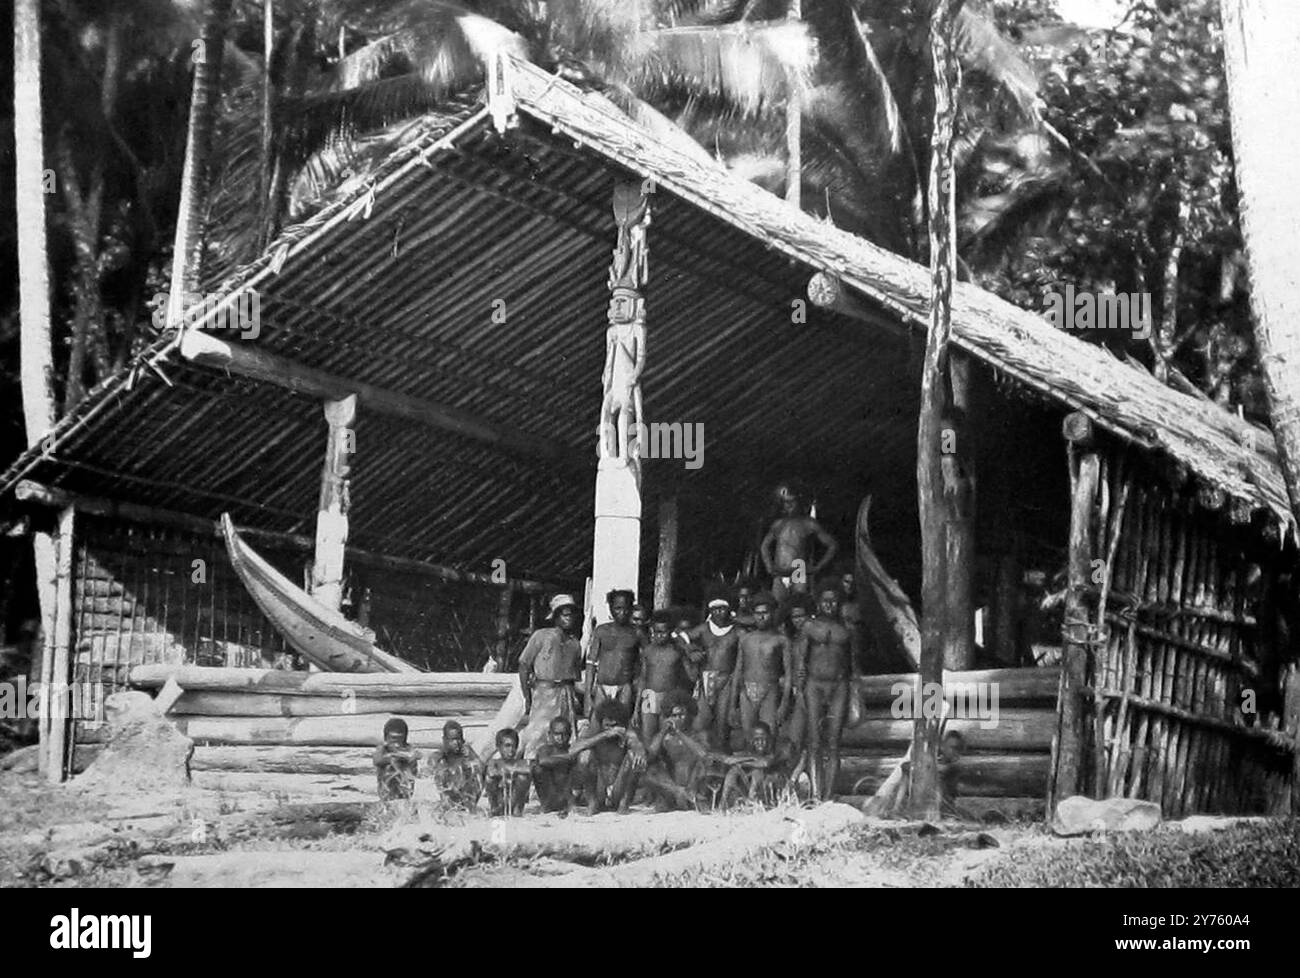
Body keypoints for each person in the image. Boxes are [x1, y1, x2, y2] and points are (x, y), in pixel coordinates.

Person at [797, 582, 863, 801]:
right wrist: (799, 690)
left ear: (839, 603)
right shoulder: (808, 627)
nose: (829, 605)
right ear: (818, 602)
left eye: (834, 601)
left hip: (839, 686)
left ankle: (828, 795)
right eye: (825, 600)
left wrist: (856, 689)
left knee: (834, 743)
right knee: (814, 741)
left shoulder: (847, 630)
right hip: (814, 685)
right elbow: (800, 662)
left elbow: (853, 664)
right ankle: (816, 794)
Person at [518, 593, 583, 757]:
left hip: (565, 694)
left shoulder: (574, 644)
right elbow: (524, 664)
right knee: (538, 734)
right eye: (564, 614)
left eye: (571, 614)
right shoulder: (541, 636)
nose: (569, 618)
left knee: (564, 735)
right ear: (555, 616)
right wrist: (527, 696)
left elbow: (575, 677)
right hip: (544, 693)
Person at [642, 692, 719, 811]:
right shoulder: (665, 738)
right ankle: (680, 793)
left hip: (693, 786)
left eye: (681, 715)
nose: (678, 718)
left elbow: (704, 755)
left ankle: (688, 795)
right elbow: (649, 756)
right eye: (674, 715)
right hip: (673, 789)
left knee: (704, 765)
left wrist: (679, 733)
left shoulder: (699, 735)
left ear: (689, 715)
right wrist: (663, 732)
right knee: (650, 770)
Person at [759, 484, 838, 602]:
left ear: (798, 503)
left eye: (792, 502)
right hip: (779, 572)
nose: (789, 505)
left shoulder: (808, 524)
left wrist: (817, 567)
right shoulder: (778, 524)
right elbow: (764, 546)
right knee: (778, 607)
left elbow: (832, 545)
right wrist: (769, 566)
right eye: (786, 502)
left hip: (798, 571)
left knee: (798, 605)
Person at [731, 592, 794, 738]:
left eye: (765, 613)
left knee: (769, 736)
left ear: (772, 613)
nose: (761, 617)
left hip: (770, 690)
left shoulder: (781, 640)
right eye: (757, 613)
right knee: (748, 737)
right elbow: (738, 670)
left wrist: (784, 704)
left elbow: (788, 674)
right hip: (746, 690)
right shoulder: (745, 639)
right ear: (753, 615)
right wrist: (732, 705)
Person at [685, 594, 741, 749]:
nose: (719, 613)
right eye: (715, 609)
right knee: (699, 724)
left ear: (729, 610)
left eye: (722, 609)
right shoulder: (703, 629)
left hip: (726, 680)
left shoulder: (737, 632)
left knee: (722, 726)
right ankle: (703, 764)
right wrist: (690, 651)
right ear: (710, 610)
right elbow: (680, 636)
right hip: (705, 679)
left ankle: (722, 765)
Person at [571, 701, 646, 814]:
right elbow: (573, 750)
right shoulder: (593, 733)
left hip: (617, 787)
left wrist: (639, 752)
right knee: (584, 755)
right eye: (607, 726)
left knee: (633, 756)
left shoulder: (627, 734)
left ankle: (624, 803)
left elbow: (637, 744)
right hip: (599, 788)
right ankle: (593, 802)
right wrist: (604, 735)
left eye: (614, 725)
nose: (611, 729)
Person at [637, 609, 695, 743]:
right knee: (648, 738)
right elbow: (643, 678)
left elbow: (691, 676)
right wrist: (636, 709)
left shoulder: (677, 651)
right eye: (656, 632)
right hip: (648, 696)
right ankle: (650, 763)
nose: (659, 636)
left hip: (669, 698)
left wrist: (694, 659)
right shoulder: (648, 651)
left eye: (663, 632)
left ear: (671, 632)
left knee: (667, 738)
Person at [584, 589, 642, 718]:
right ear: (610, 608)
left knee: (621, 724)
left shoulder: (637, 633)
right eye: (618, 608)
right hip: (602, 687)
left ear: (631, 609)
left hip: (624, 687)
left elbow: (646, 664)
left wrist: (638, 699)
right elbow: (591, 663)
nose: (622, 612)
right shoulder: (601, 631)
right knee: (597, 723)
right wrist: (588, 695)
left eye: (626, 608)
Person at [720, 722, 793, 809]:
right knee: (734, 771)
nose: (760, 743)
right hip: (760, 787)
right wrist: (750, 758)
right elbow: (729, 760)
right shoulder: (751, 749)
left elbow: (765, 763)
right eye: (756, 739)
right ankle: (722, 804)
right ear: (752, 740)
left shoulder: (779, 746)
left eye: (763, 739)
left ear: (769, 738)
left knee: (757, 771)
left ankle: (751, 802)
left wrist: (743, 760)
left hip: (777, 787)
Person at [429, 719, 483, 811]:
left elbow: (481, 769)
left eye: (458, 739)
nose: (456, 743)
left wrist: (472, 754)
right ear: (445, 740)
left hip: (466, 801)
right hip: (447, 802)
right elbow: (431, 765)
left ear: (463, 740)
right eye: (452, 739)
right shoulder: (440, 757)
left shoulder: (467, 756)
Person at [531, 717, 578, 816]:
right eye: (556, 734)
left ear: (570, 734)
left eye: (564, 734)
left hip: (569, 796)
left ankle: (569, 805)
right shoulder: (545, 749)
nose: (560, 738)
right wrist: (568, 757)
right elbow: (543, 761)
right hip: (550, 796)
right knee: (538, 769)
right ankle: (548, 806)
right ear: (550, 734)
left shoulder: (572, 748)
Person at [483, 728, 532, 817]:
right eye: (507, 746)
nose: (511, 749)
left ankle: (517, 810)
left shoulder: (521, 762)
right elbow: (491, 772)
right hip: (499, 800)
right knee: (489, 779)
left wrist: (504, 771)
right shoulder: (494, 762)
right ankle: (494, 808)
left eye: (514, 746)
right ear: (498, 747)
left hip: (515, 802)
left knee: (523, 778)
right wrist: (512, 770)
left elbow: (528, 770)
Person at [373, 718, 419, 801]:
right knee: (389, 768)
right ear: (386, 738)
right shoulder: (383, 749)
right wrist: (391, 759)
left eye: (400, 739)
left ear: (405, 739)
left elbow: (418, 755)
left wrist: (408, 758)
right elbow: (377, 760)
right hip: (386, 792)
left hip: (405, 793)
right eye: (393, 738)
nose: (397, 744)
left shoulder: (408, 749)